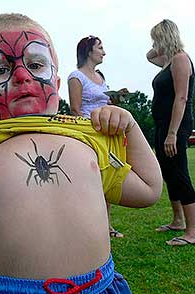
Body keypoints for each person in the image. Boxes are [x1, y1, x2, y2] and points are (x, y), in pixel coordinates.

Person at [0, 13, 162, 294]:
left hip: (97, 290)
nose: (23, 76)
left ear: (57, 81)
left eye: (36, 65)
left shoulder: (90, 140)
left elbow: (149, 190)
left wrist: (131, 126)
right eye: (0, 70)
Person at [146, 19, 195, 246]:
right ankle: (177, 220)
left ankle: (192, 232)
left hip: (175, 126)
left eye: (157, 38)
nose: (153, 44)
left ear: (165, 37)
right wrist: (159, 45)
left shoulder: (180, 59)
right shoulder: (167, 61)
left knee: (179, 172)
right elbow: (149, 56)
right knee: (168, 172)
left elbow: (181, 97)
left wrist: (172, 133)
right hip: (163, 125)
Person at [68, 36, 123, 239]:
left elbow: (106, 102)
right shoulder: (76, 76)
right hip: (88, 134)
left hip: (107, 133)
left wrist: (116, 99)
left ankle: (107, 226)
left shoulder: (101, 76)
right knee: (90, 181)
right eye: (100, 48)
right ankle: (89, 226)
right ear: (89, 51)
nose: (104, 52)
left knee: (107, 179)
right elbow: (75, 109)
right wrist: (90, 132)